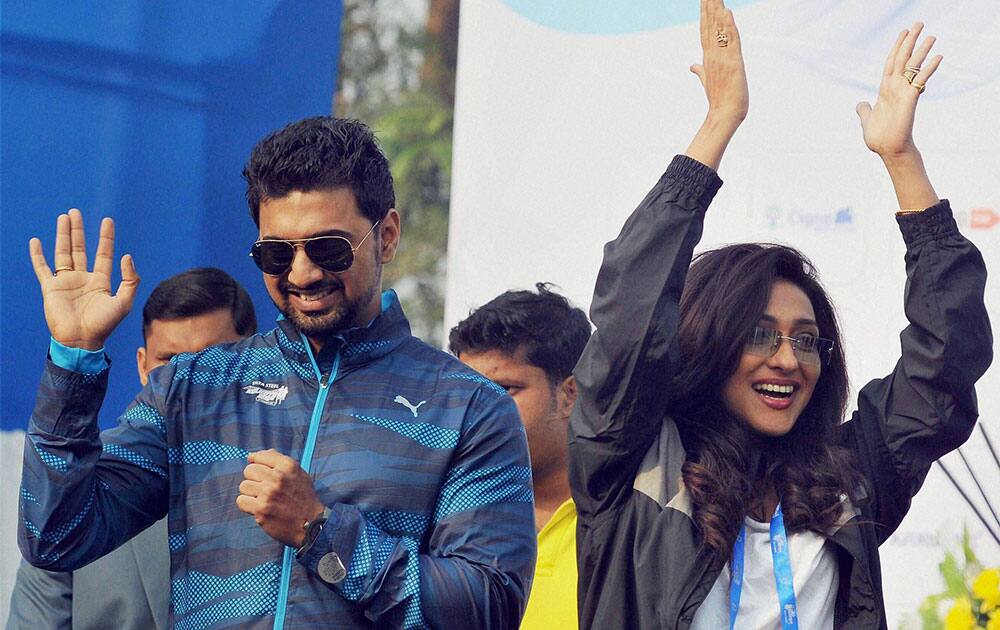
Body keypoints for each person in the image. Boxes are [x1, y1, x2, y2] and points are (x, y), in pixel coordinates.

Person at [568, 2, 992, 629]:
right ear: (708, 343)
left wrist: (903, 161)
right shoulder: (635, 462)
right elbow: (631, 321)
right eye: (760, 336)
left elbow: (944, 365)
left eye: (807, 341)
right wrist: (718, 122)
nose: (788, 360)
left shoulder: (849, 482)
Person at [19, 117, 535, 629]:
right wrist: (73, 360)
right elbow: (57, 534)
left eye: (329, 247)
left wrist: (322, 533)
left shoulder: (470, 406)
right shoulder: (192, 387)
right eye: (276, 254)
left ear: (388, 236)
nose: (302, 273)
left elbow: (490, 608)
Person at [7, 267, 257, 630]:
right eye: (169, 362)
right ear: (142, 367)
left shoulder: (299, 471)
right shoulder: (75, 484)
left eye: (209, 360)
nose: (183, 382)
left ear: (255, 361)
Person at [449, 283, 591, 630]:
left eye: (504, 390)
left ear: (569, 394)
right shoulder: (441, 519)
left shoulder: (626, 520)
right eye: (468, 393)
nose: (477, 413)